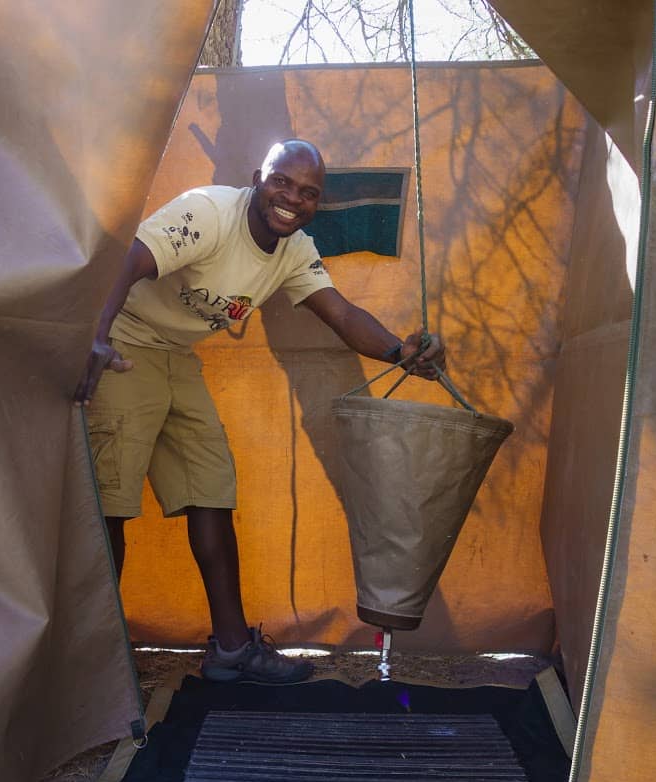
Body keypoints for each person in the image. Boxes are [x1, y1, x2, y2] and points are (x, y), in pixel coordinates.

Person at [74, 139, 445, 684]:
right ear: (257, 177)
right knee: (112, 502)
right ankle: (91, 661)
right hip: (128, 344)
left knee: (212, 488)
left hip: (177, 356)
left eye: (308, 192)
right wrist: (96, 337)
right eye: (282, 183)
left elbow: (339, 312)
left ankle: (230, 650)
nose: (292, 199)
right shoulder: (209, 213)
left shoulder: (295, 250)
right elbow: (127, 259)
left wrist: (400, 353)